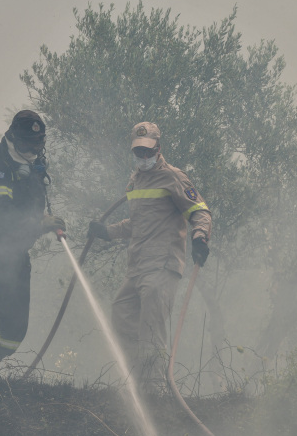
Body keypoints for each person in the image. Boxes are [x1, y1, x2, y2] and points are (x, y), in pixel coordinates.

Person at [87, 122, 211, 387]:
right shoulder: (135, 181)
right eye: (138, 153)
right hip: (137, 266)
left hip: (162, 265)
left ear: (158, 148)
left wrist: (200, 236)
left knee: (151, 329)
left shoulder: (174, 177)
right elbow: (137, 224)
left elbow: (199, 210)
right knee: (121, 314)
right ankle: (137, 383)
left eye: (147, 152)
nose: (143, 158)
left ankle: (154, 393)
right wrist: (106, 232)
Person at [0, 110, 65, 379]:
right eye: (27, 144)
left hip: (16, 255)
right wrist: (38, 225)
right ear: (11, 137)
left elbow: (25, 208)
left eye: (37, 145)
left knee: (16, 327)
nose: (32, 150)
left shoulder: (31, 165)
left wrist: (43, 220)